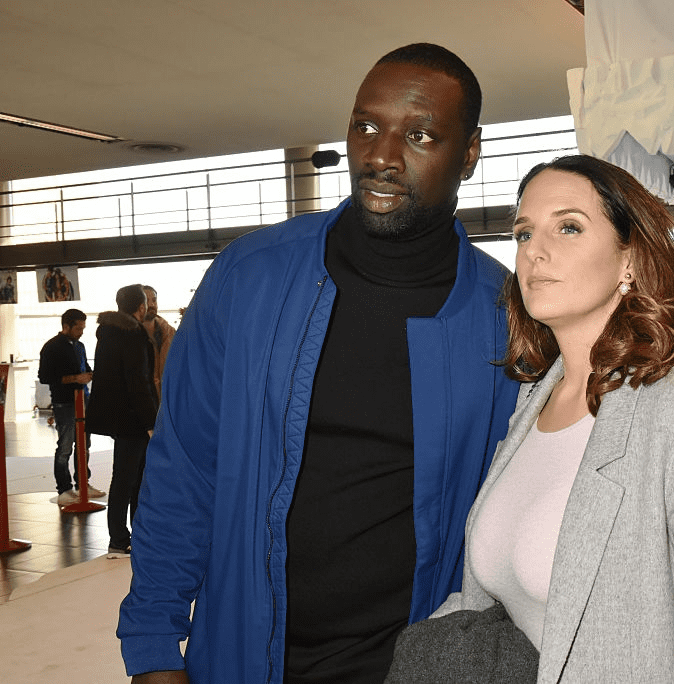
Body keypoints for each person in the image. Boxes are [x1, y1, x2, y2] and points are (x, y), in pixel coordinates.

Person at [117, 43, 520, 683]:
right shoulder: (248, 279)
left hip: (412, 664)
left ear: (469, 154)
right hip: (247, 656)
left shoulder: (507, 320)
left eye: (419, 135)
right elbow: (183, 470)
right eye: (366, 126)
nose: (382, 156)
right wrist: (154, 647)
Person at [388, 156, 674, 682]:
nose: (534, 253)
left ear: (630, 260)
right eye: (524, 234)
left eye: (568, 227)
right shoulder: (531, 403)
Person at [86, 284, 158, 559]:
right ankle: (119, 538)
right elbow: (137, 381)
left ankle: (134, 534)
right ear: (139, 308)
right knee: (129, 479)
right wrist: (150, 421)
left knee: (132, 478)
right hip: (132, 419)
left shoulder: (109, 331)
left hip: (121, 417)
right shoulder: (131, 334)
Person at [37, 308, 104, 506]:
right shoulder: (51, 347)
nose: (81, 331)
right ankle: (63, 488)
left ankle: (83, 484)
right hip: (65, 402)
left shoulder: (80, 346)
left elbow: (85, 368)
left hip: (83, 399)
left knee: (84, 445)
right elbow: (45, 377)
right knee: (65, 445)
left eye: (83, 328)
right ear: (66, 326)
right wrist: (75, 378)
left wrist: (90, 376)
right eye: (78, 328)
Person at [140, 285, 175, 401]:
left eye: (154, 300)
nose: (151, 305)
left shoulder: (170, 332)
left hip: (168, 399)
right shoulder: (130, 335)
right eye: (146, 301)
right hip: (142, 402)